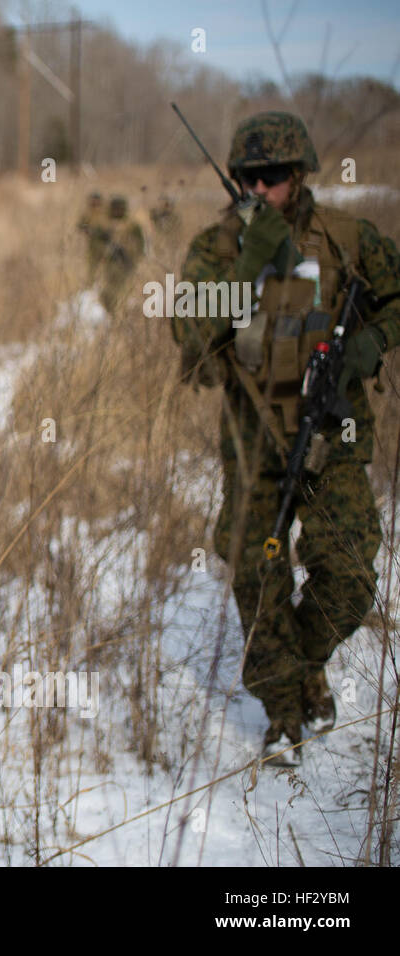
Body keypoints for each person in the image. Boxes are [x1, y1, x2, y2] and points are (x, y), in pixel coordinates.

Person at [171, 111, 400, 765]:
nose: (258, 189)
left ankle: (300, 664)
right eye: (247, 177)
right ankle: (284, 706)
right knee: (255, 571)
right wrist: (250, 258)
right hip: (253, 434)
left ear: (299, 175)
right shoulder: (215, 250)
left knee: (352, 574)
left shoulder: (347, 236)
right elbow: (190, 342)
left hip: (336, 426)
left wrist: (373, 344)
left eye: (271, 177)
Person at [96, 195, 145, 312]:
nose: (117, 211)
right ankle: (110, 313)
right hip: (109, 263)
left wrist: (133, 257)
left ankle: (120, 314)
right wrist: (106, 250)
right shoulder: (104, 224)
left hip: (126, 264)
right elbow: (96, 243)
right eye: (115, 208)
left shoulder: (132, 225)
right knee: (107, 292)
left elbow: (140, 245)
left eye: (120, 208)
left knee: (123, 292)